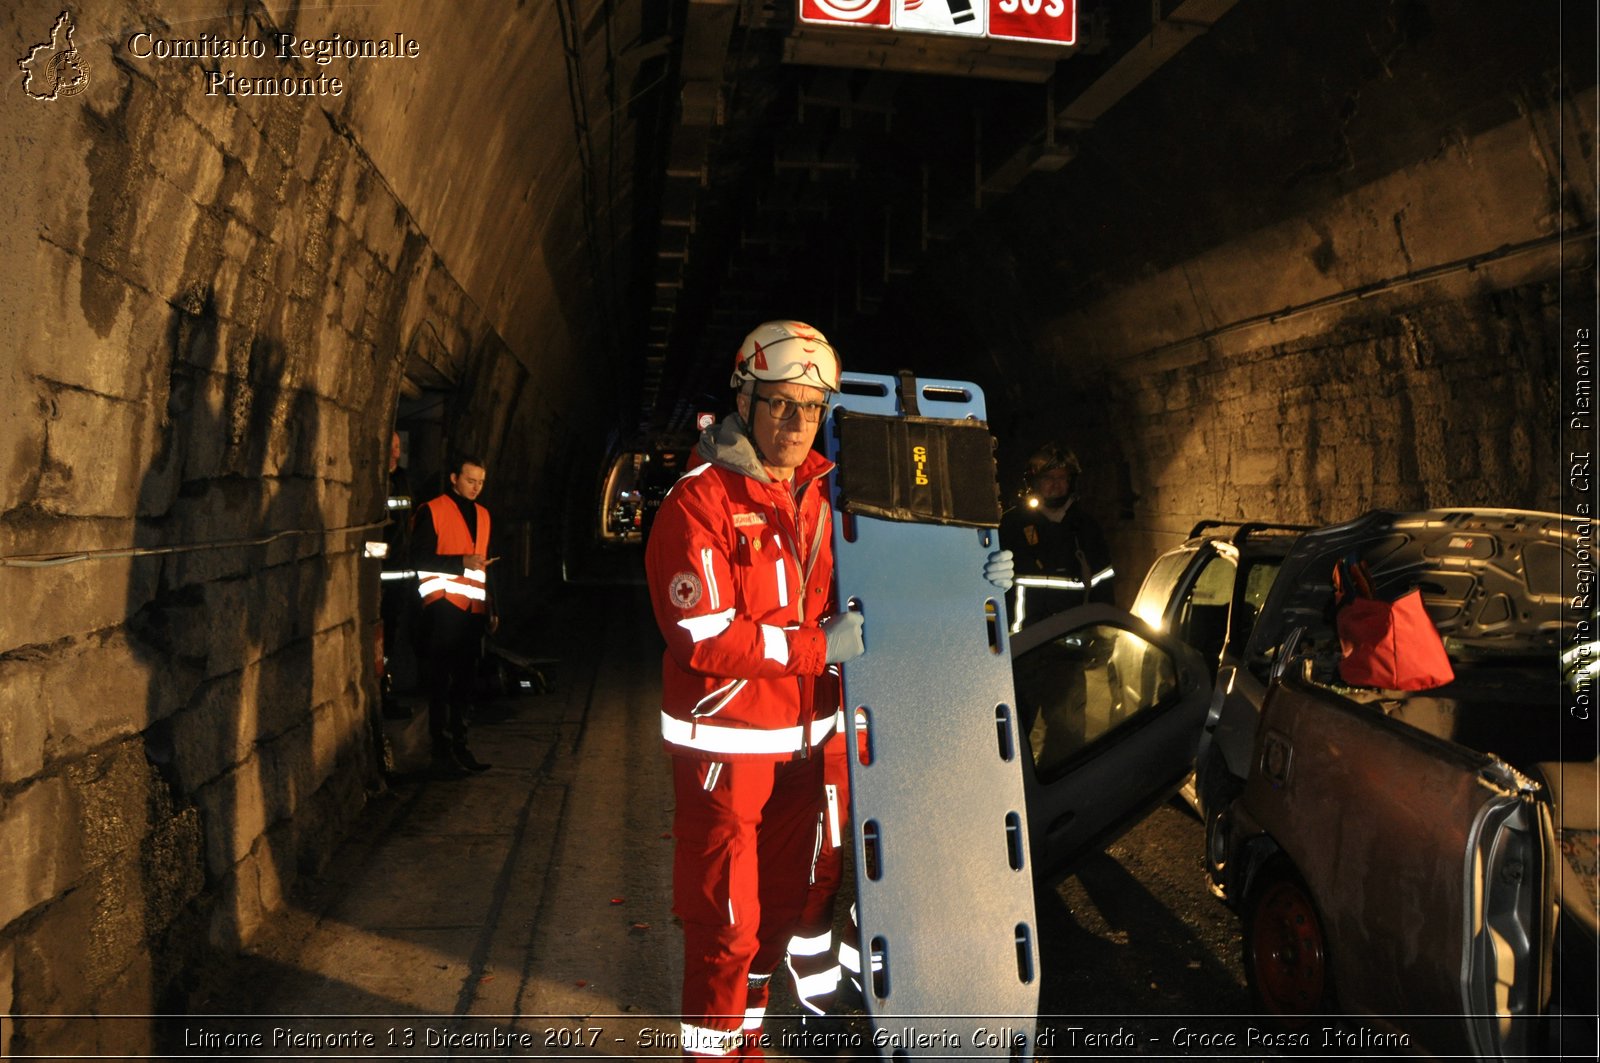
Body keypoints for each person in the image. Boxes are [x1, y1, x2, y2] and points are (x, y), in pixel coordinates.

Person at [646, 320, 863, 1058]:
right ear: (745, 400)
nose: (797, 421)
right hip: (727, 753)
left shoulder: (825, 496)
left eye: (811, 405)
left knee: (781, 912)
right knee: (725, 924)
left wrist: (974, 578)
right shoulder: (698, 501)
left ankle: (747, 1038)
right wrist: (813, 648)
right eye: (780, 403)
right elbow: (701, 636)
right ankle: (712, 1052)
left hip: (806, 745)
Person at [410, 455, 496, 776]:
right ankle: (441, 750)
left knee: (464, 681)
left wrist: (492, 607)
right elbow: (417, 556)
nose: (476, 487)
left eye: (481, 482)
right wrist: (461, 561)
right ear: (454, 478)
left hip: (473, 610)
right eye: (470, 480)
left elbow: (484, 565)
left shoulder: (484, 515)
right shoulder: (432, 510)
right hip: (442, 607)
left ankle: (461, 746)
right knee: (441, 681)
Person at [998, 443, 1115, 630]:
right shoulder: (1011, 525)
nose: (1056, 484)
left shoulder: (1086, 527)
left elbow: (1104, 587)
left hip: (1076, 641)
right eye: (1048, 478)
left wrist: (1106, 631)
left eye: (1062, 478)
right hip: (1025, 643)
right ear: (1033, 482)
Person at [379, 431, 415, 719]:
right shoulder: (375, 482)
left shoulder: (403, 479)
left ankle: (386, 690)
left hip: (400, 574)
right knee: (379, 637)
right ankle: (379, 693)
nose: (395, 452)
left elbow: (407, 521)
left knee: (391, 636)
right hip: (380, 576)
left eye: (397, 447)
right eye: (390, 447)